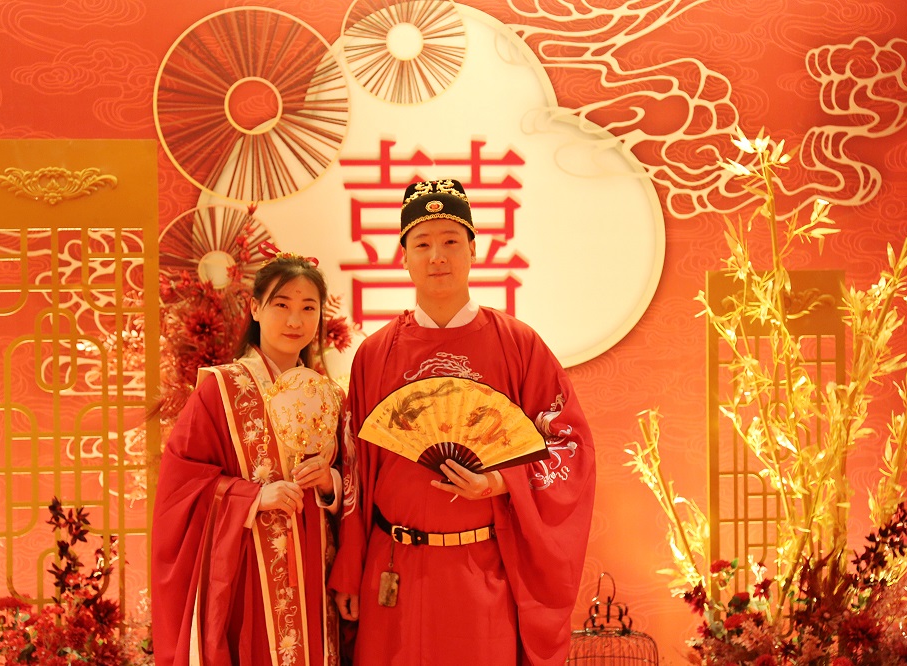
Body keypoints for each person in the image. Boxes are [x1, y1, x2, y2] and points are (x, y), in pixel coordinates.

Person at [328, 178, 597, 666]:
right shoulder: (375, 354)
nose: (437, 257)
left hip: (481, 570)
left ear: (474, 250)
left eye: (451, 241)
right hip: (392, 569)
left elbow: (569, 445)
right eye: (422, 244)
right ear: (403, 257)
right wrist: (349, 569)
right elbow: (355, 472)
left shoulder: (518, 344)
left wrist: (501, 481)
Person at [151, 246, 344, 666]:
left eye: (308, 308)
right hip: (248, 575)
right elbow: (180, 488)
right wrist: (253, 497)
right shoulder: (219, 389)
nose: (294, 320)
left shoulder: (330, 396)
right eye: (281, 305)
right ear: (255, 309)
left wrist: (331, 484)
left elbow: (357, 481)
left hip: (317, 575)